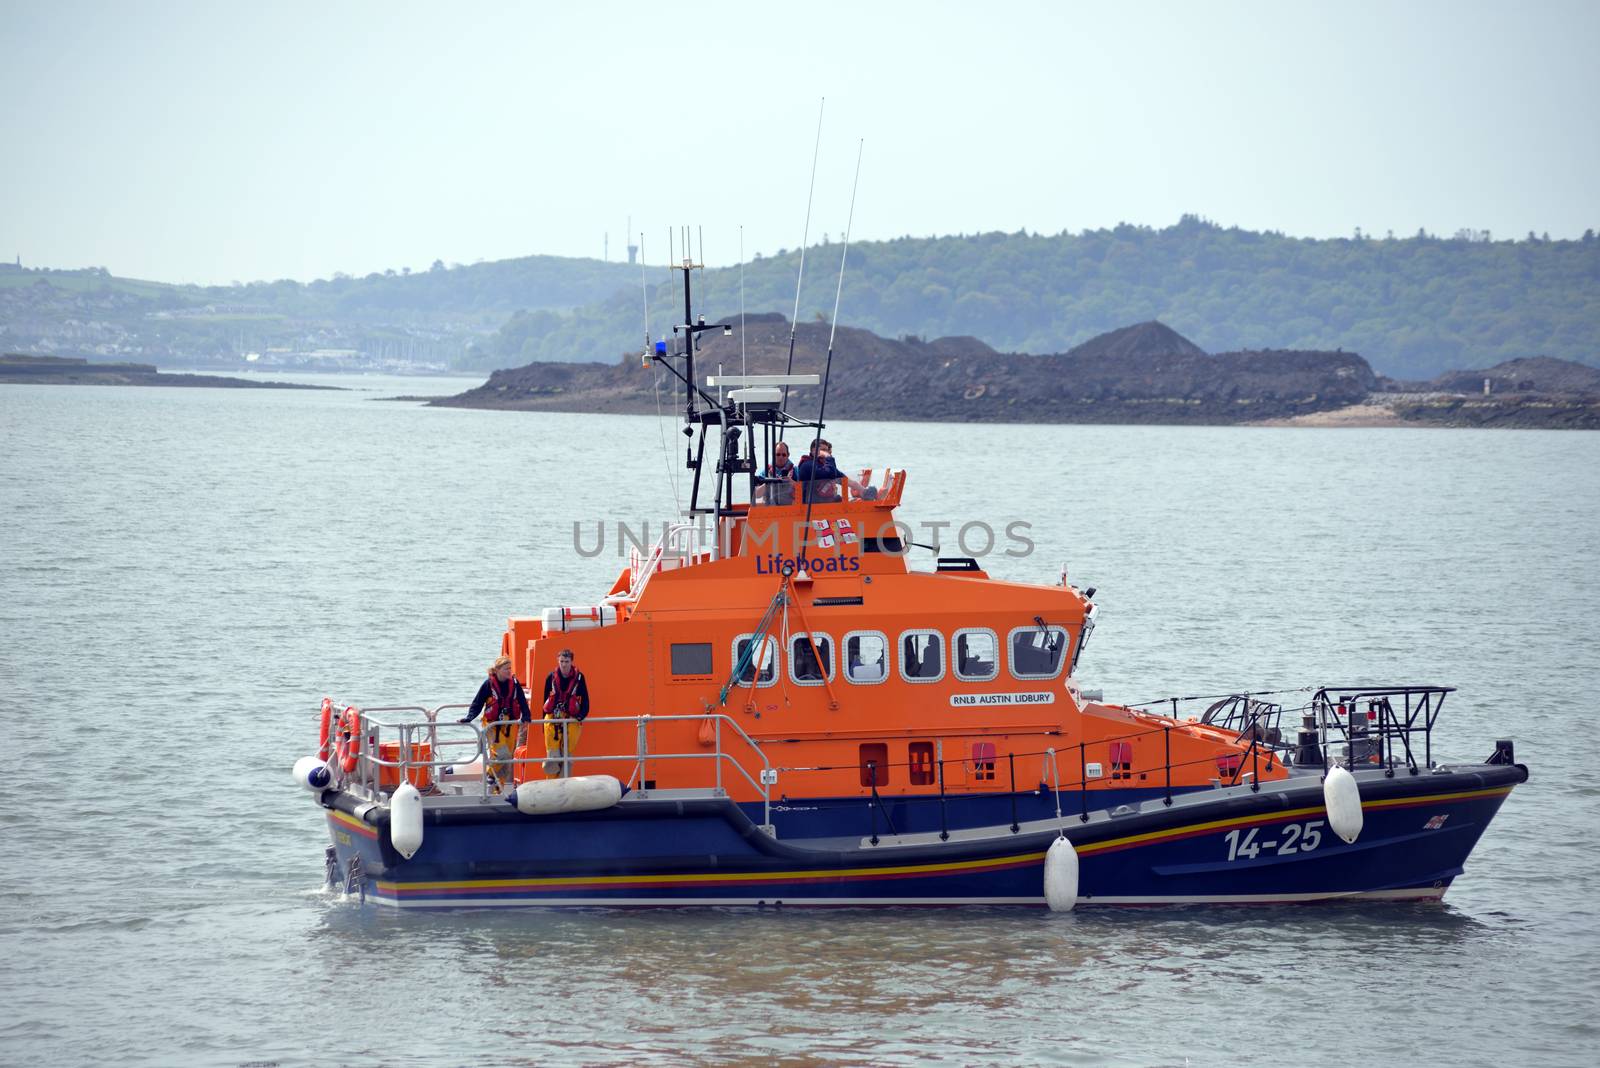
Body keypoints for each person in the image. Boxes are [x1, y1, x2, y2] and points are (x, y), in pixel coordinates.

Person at [461, 654, 531, 787]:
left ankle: (499, 787)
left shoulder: (514, 684)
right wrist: (469, 717)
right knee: (501, 754)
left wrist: (526, 716)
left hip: (510, 725)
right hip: (492, 725)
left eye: (510, 668)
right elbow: (477, 703)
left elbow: (522, 702)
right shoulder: (488, 684)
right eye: (506, 669)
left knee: (508, 757)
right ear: (497, 670)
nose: (509, 671)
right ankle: (490, 775)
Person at [542, 648, 591, 778]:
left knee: (567, 756)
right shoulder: (550, 677)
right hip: (552, 720)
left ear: (571, 662)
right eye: (562, 661)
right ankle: (551, 785)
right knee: (553, 756)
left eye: (567, 661)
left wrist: (581, 716)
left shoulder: (580, 678)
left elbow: (585, 700)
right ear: (558, 661)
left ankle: (565, 783)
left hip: (572, 720)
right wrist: (543, 724)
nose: (564, 664)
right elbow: (545, 701)